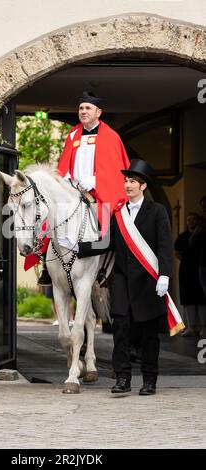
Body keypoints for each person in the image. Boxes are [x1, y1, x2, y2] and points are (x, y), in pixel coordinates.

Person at [75, 159, 181, 396]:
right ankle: (122, 377)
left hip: (149, 280)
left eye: (132, 181)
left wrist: (165, 275)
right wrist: (77, 246)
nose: (128, 185)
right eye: (126, 180)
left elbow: (165, 246)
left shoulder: (157, 211)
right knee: (120, 328)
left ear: (143, 186)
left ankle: (150, 380)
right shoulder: (119, 212)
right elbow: (107, 242)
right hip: (122, 280)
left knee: (148, 334)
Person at [36, 90, 129, 285]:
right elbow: (65, 163)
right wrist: (66, 179)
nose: (83, 111)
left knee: (108, 224)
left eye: (88, 108)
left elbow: (115, 169)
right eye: (81, 108)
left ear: (98, 112)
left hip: (98, 191)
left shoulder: (111, 136)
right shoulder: (73, 134)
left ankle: (105, 267)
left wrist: (95, 181)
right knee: (51, 216)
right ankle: (47, 265)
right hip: (73, 188)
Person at [174, 213, 206, 337]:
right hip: (186, 271)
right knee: (188, 299)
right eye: (188, 219)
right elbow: (177, 252)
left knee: (201, 299)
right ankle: (191, 327)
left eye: (193, 219)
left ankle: (203, 327)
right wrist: (187, 259)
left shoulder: (203, 235)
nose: (191, 221)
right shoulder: (183, 237)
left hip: (200, 269)